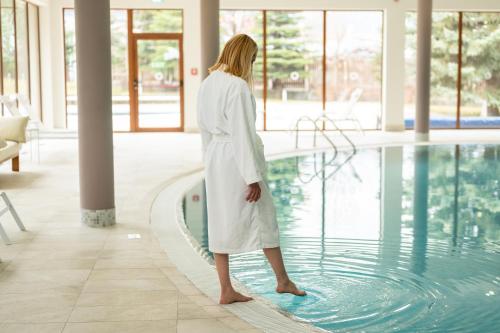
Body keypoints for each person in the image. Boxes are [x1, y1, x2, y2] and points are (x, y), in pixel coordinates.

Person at [197, 34, 306, 304]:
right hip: (236, 161)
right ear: (244, 57)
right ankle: (283, 281)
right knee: (265, 218)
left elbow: (203, 129)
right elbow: (242, 134)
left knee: (219, 222)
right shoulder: (237, 87)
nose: (254, 64)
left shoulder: (207, 83)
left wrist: (208, 163)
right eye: (253, 58)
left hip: (216, 159)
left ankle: (226, 290)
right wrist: (252, 177)